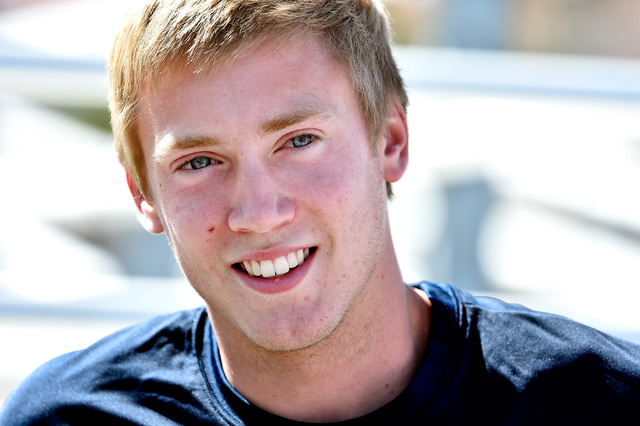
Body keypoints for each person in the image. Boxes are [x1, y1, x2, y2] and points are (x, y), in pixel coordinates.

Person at [2, 0, 639, 424]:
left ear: (390, 141)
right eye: (198, 161)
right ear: (143, 193)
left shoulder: (597, 403)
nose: (257, 211)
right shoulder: (66, 417)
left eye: (298, 141)